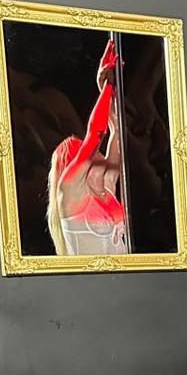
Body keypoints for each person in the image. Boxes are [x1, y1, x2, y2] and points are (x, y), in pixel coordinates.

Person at [46, 38, 127, 257]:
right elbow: (96, 133)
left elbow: (117, 131)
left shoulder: (106, 185)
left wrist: (107, 89)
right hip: (93, 278)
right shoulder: (69, 191)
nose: (91, 152)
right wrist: (107, 87)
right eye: (81, 152)